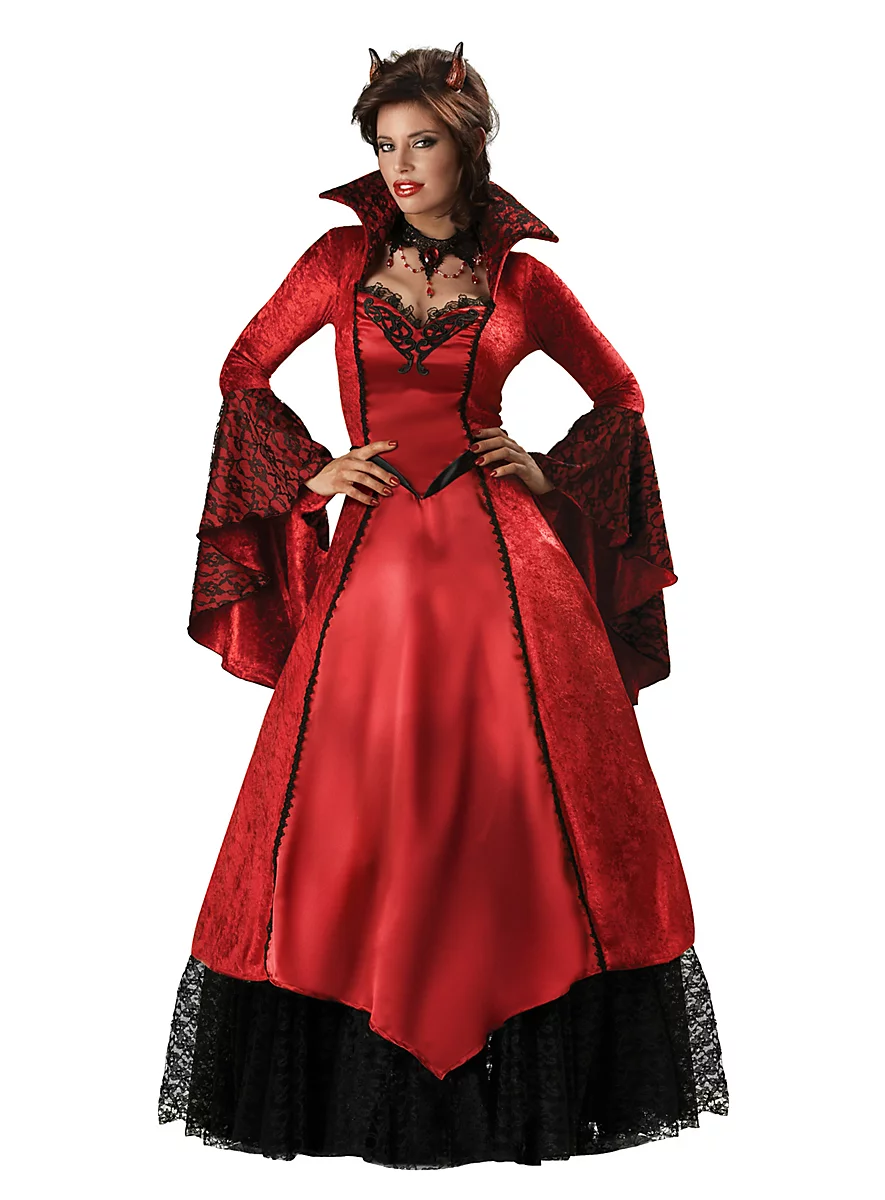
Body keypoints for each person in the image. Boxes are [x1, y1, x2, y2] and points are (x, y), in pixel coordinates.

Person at [157, 42, 729, 1168]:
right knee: (355, 800)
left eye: (421, 141)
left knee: (513, 798)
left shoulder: (522, 281)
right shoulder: (336, 261)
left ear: (469, 145)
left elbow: (621, 391)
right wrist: (315, 470)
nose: (401, 166)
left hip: (511, 576)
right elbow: (242, 370)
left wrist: (547, 471)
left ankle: (520, 1055)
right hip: (373, 578)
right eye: (384, 145)